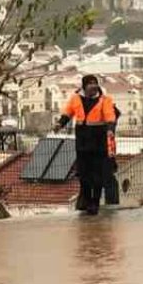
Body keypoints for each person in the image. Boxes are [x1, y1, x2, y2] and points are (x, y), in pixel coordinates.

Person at [53, 75, 118, 214]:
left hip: (98, 142)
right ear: (84, 86)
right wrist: (60, 124)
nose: (93, 86)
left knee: (97, 174)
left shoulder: (105, 100)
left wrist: (110, 130)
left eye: (95, 83)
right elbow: (68, 113)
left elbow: (110, 116)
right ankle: (88, 201)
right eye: (90, 84)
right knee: (84, 174)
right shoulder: (75, 98)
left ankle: (95, 202)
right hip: (82, 142)